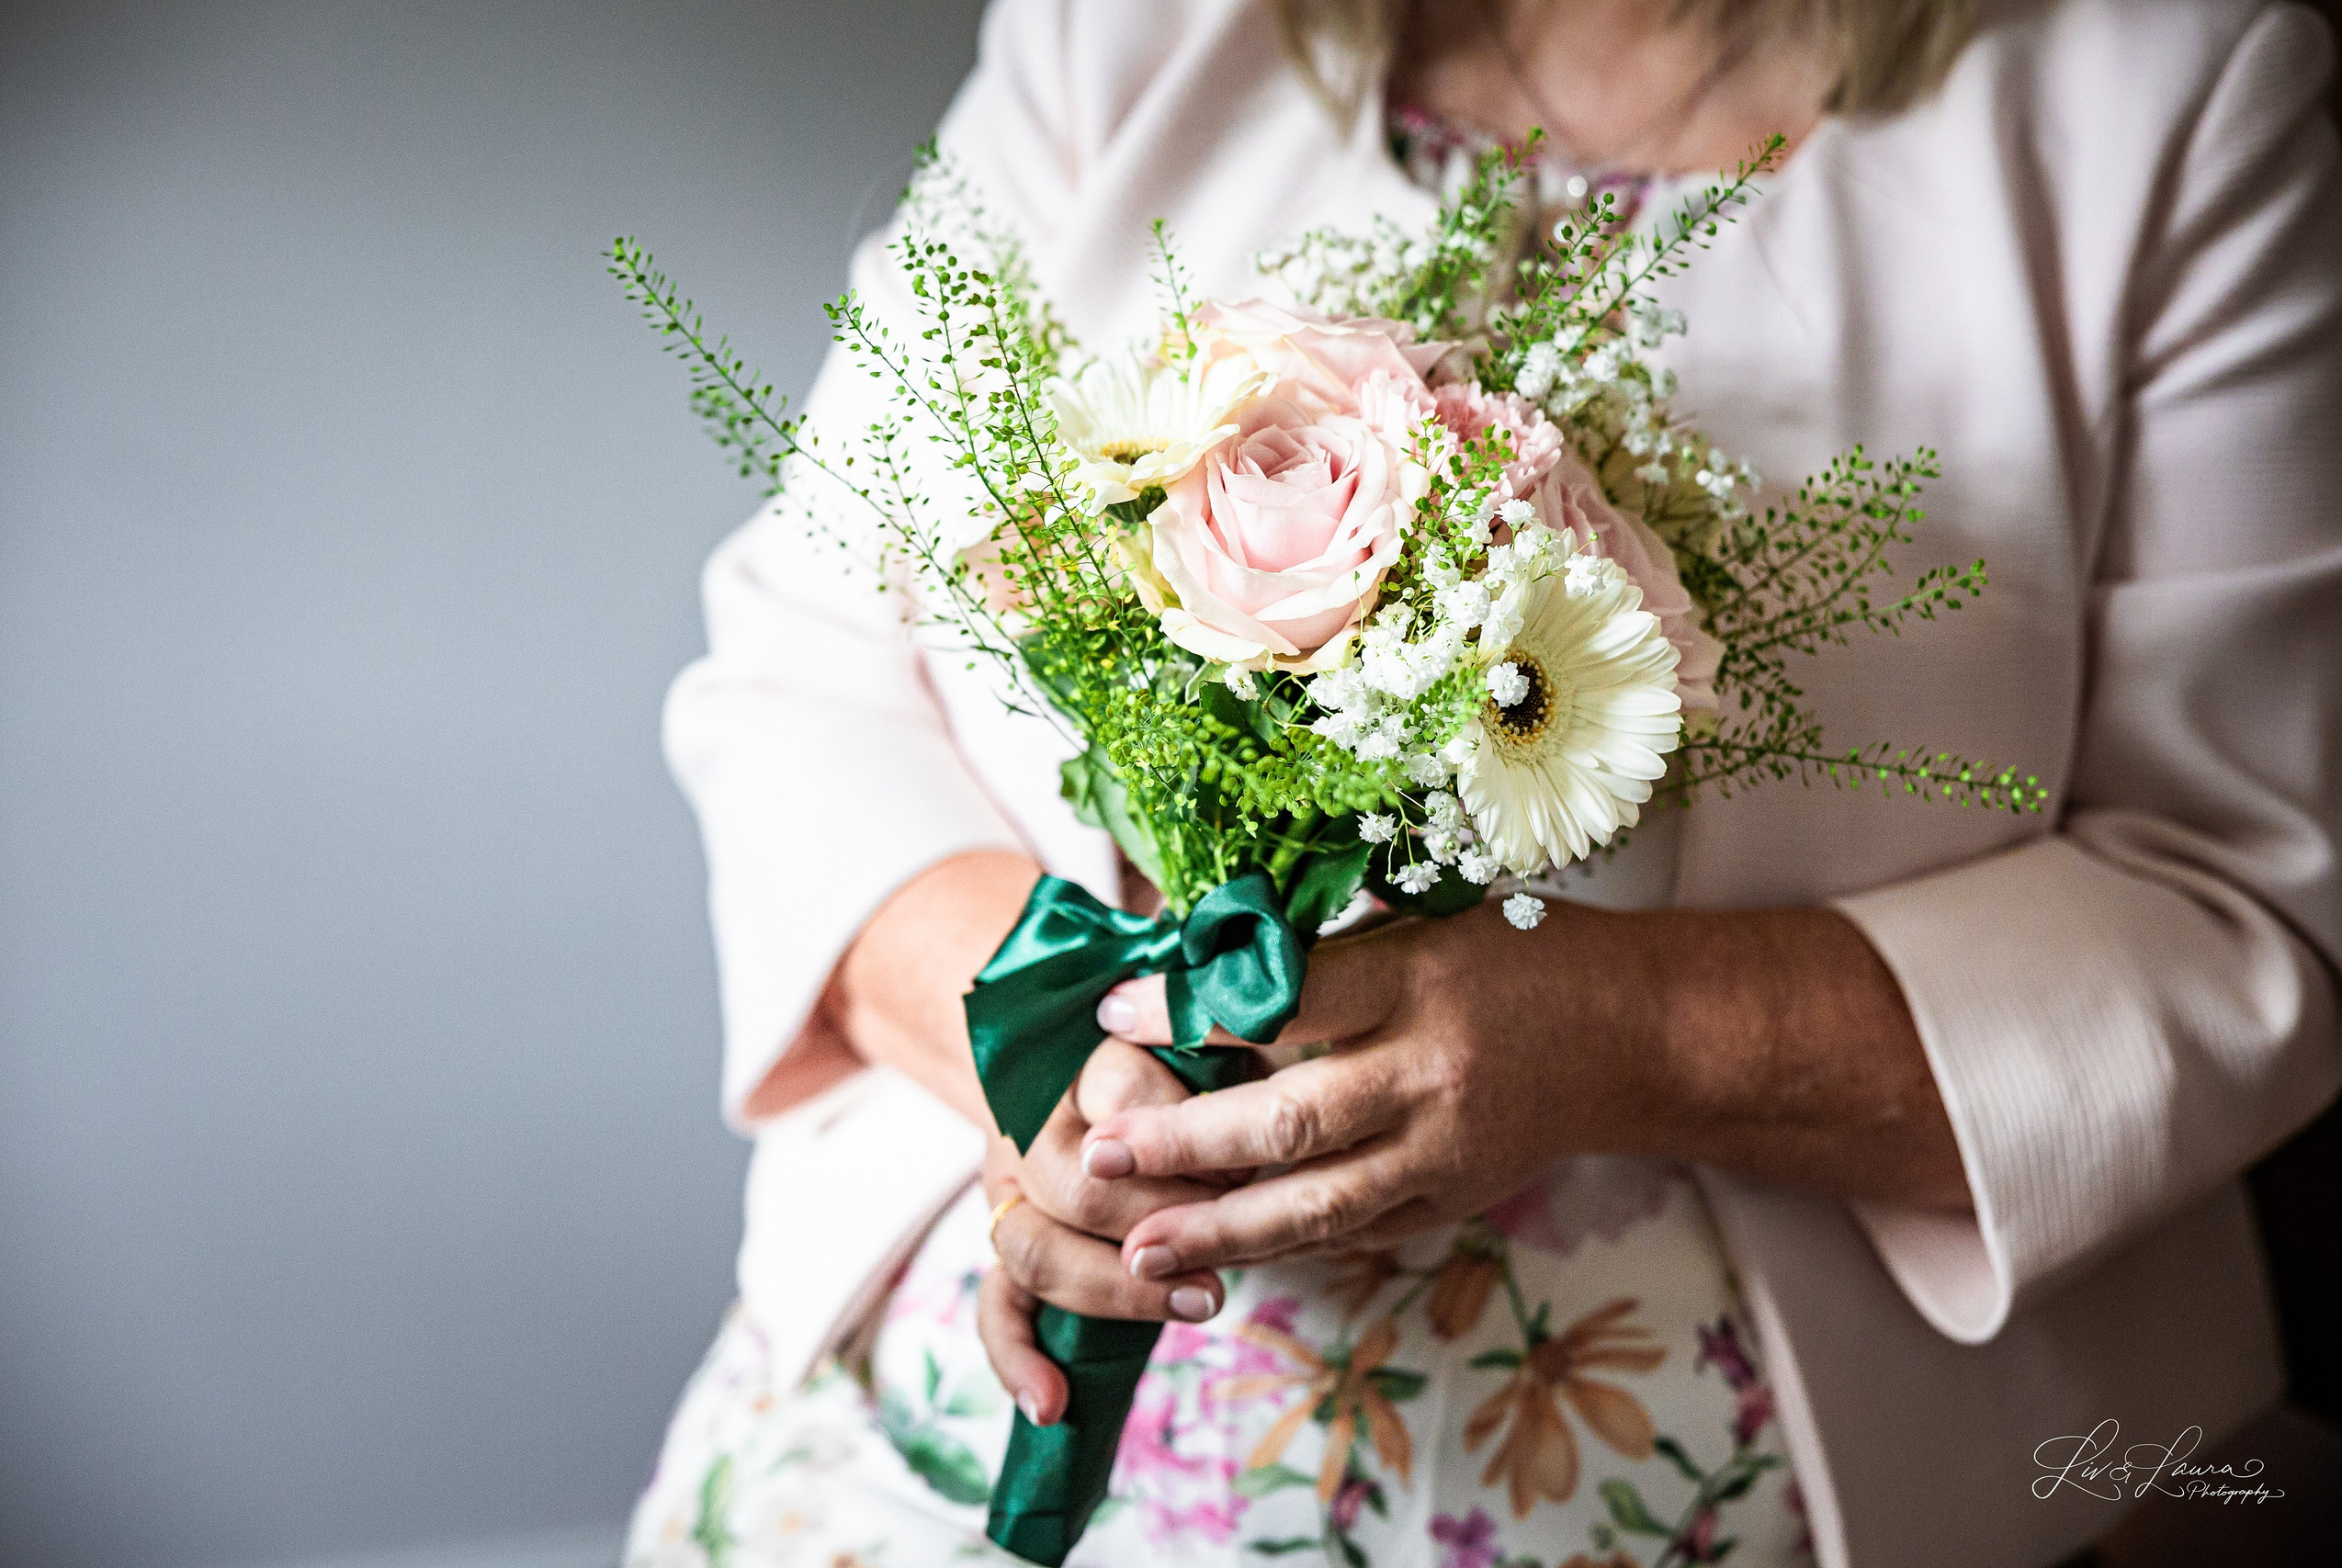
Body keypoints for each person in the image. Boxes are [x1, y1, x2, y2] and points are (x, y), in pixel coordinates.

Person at [625, 2, 2342, 1564]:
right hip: (963, 1357)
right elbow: (803, 666)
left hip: (1769, 1440)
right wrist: (1053, 1058)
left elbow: (2232, 908)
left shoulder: (2176, 95)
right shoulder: (1119, 35)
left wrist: (1611, 1036)